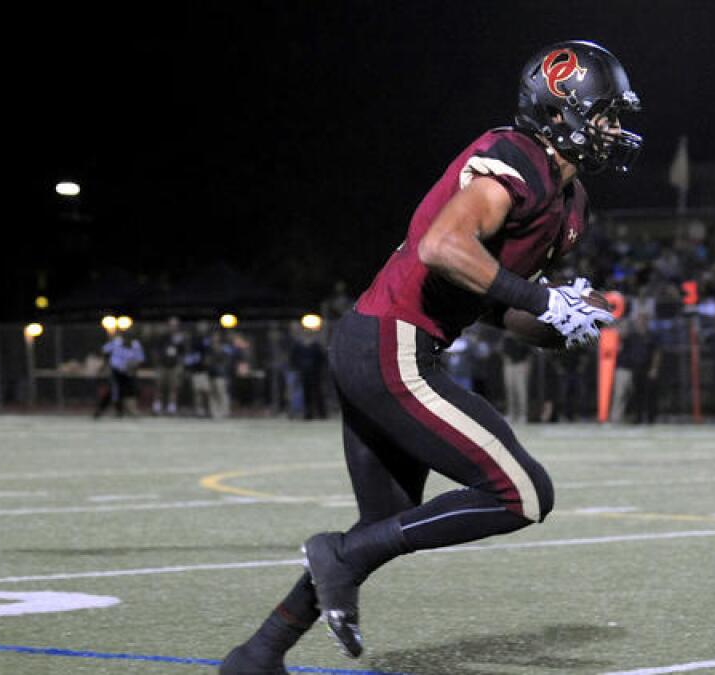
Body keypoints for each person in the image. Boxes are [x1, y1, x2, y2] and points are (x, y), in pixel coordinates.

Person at [221, 40, 635, 672]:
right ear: (559, 113)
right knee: (521, 493)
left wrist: (560, 321)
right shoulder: (515, 160)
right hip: (392, 342)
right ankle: (337, 563)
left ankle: (259, 653)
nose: (613, 128)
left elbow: (495, 303)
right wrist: (538, 297)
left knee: (384, 525)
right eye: (603, 113)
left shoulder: (571, 203)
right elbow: (444, 246)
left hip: (385, 342)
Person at [93, 331, 145, 418]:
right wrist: (106, 363)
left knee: (132, 390)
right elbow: (104, 350)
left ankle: (130, 410)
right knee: (114, 391)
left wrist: (133, 366)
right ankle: (109, 410)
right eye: (126, 339)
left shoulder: (136, 345)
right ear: (123, 338)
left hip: (128, 372)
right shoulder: (116, 342)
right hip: (116, 371)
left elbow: (140, 359)